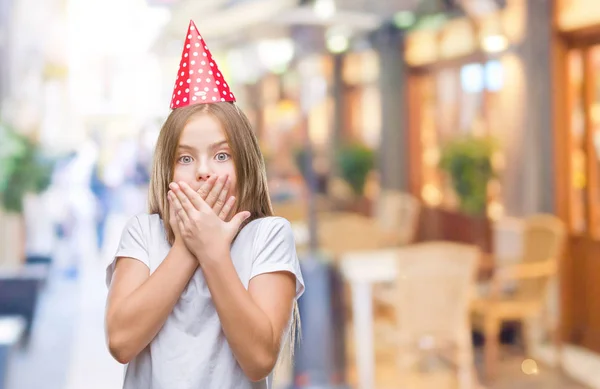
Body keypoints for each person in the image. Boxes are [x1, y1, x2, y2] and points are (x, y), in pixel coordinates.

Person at [104, 20, 304, 389]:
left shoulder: (269, 236)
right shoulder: (143, 234)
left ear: (244, 165)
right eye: (185, 159)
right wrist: (188, 246)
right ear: (167, 170)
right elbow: (120, 341)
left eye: (221, 155)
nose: (203, 172)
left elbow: (259, 360)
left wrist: (214, 252)